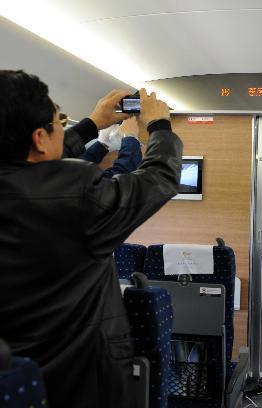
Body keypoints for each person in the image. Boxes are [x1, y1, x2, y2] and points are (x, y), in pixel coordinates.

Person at [0, 70, 182, 408]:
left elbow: (31, 162)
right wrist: (159, 126)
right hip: (82, 378)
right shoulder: (76, 193)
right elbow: (158, 178)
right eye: (60, 123)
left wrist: (91, 124)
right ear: (40, 137)